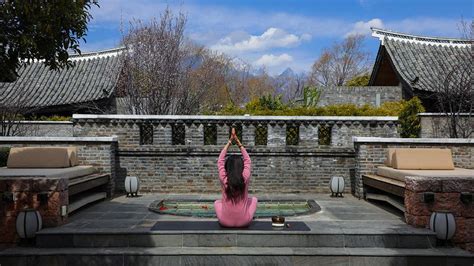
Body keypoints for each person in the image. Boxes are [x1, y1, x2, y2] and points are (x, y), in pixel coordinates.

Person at [214, 128, 258, 227]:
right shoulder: (245, 177)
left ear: (227, 167)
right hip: (244, 222)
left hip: (225, 222)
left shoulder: (224, 178)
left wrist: (229, 142)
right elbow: (248, 160)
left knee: (217, 202)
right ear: (241, 166)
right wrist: (238, 142)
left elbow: (220, 160)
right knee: (253, 200)